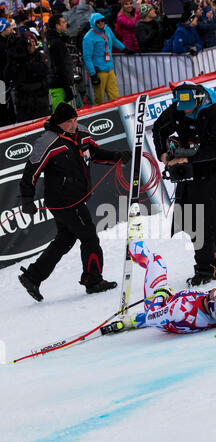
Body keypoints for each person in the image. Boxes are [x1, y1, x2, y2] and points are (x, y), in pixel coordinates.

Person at [18, 102, 132, 302]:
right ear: (59, 123)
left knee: (65, 239)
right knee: (89, 238)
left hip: (77, 196)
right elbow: (31, 172)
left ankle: (33, 276)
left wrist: (117, 157)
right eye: (69, 121)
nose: (74, 124)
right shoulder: (47, 142)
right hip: (64, 201)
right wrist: (27, 199)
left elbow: (94, 153)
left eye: (75, 119)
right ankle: (93, 280)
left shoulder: (81, 133)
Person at [152, 81, 216, 286]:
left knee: (201, 223)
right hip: (190, 172)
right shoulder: (177, 109)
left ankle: (205, 269)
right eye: (180, 106)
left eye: (187, 107)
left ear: (198, 99)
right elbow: (159, 129)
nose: (183, 111)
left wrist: (187, 158)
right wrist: (162, 153)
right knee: (188, 219)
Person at [113, 240, 216, 334]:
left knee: (156, 261)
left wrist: (161, 294)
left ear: (214, 305)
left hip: (157, 306)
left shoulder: (182, 309)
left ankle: (133, 243)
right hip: (170, 309)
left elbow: (151, 317)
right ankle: (136, 319)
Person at [82, 12, 135, 105]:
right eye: (98, 22)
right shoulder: (88, 37)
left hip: (110, 69)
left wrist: (124, 49)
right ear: (93, 24)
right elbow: (87, 57)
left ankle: (117, 114)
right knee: (100, 99)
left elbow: (114, 41)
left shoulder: (107, 29)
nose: (101, 23)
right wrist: (93, 74)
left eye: (103, 20)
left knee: (115, 96)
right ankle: (99, 116)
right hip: (99, 72)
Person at [4, 31, 50, 123]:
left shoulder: (40, 56)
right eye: (29, 43)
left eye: (33, 42)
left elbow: (44, 70)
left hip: (40, 101)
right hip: (23, 104)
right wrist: (12, 59)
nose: (32, 45)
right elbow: (7, 75)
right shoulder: (17, 60)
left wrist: (26, 63)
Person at [46, 13, 75, 112]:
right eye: (63, 22)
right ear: (57, 26)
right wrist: (67, 88)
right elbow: (59, 67)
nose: (66, 24)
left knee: (65, 117)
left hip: (61, 84)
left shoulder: (56, 41)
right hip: (59, 86)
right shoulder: (56, 43)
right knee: (60, 117)